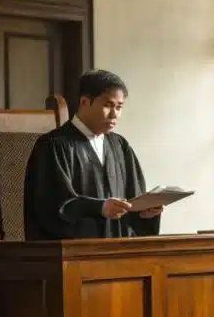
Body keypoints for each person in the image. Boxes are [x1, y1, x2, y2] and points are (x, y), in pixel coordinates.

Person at [23, 69, 162, 240]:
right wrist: (99, 208)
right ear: (84, 102)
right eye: (108, 105)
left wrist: (145, 214)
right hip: (73, 257)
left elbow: (133, 203)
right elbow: (51, 207)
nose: (114, 114)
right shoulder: (54, 145)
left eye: (119, 107)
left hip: (116, 255)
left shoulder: (120, 146)